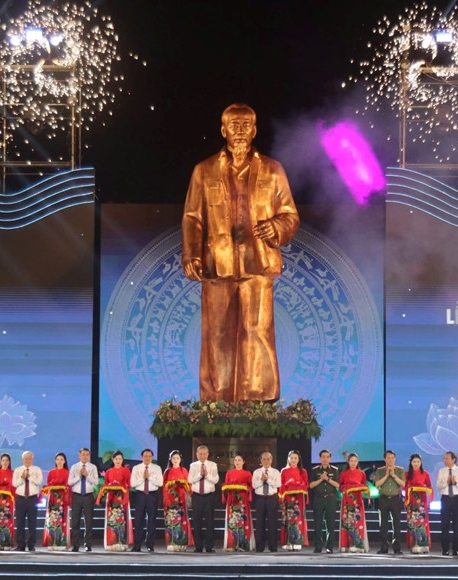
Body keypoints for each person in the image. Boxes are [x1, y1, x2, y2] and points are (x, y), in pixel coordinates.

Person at [181, 102, 300, 403]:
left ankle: (259, 401)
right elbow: (193, 218)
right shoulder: (204, 170)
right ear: (223, 130)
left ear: (255, 130)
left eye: (246, 125)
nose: (240, 132)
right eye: (234, 126)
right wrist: (191, 254)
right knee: (217, 334)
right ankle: (216, 403)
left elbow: (290, 215)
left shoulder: (273, 170)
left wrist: (276, 227)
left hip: (257, 264)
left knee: (257, 331)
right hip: (217, 265)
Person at [97, 450, 133, 551]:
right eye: (116, 459)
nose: (118, 461)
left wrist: (122, 488)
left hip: (122, 498)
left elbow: (129, 484)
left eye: (120, 459)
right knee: (111, 520)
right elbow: (105, 485)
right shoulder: (109, 472)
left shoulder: (126, 471)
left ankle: (122, 542)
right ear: (113, 460)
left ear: (122, 460)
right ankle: (111, 543)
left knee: (122, 520)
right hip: (111, 499)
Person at [130, 448, 163, 552]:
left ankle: (150, 544)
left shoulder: (157, 468)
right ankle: (137, 545)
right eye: (145, 456)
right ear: (141, 457)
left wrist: (149, 478)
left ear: (152, 457)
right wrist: (143, 478)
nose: (147, 458)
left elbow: (160, 483)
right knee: (138, 520)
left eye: (149, 456)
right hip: (140, 495)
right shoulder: (136, 468)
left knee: (152, 520)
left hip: (152, 495)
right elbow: (132, 483)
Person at [188, 445, 219, 552]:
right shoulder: (193, 466)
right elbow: (190, 480)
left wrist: (207, 475)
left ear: (208, 454)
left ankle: (209, 546)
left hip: (209, 496)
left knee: (210, 522)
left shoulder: (213, 465)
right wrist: (199, 475)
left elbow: (215, 480)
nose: (202, 456)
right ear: (197, 454)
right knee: (197, 521)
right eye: (200, 454)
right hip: (197, 496)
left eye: (204, 454)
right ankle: (198, 546)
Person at [436, 451, 458, 556]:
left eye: (447, 458)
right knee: (444, 524)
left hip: (457, 499)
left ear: (453, 459)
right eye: (444, 458)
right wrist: (447, 483)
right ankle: (445, 549)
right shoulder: (442, 471)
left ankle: (456, 549)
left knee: (457, 525)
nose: (445, 460)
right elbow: (438, 485)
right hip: (445, 499)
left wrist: (455, 483)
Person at [373, 450, 404, 555]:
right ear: (384, 459)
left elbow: (403, 484)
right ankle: (384, 547)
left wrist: (394, 475)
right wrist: (386, 475)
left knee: (397, 524)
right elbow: (377, 484)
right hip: (384, 498)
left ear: (395, 459)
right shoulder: (380, 470)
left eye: (392, 458)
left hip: (395, 499)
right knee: (383, 524)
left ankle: (397, 548)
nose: (390, 460)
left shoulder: (400, 470)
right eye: (388, 458)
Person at [308, 449, 339, 554]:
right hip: (318, 499)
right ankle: (318, 546)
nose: (325, 459)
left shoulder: (335, 470)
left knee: (330, 524)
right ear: (320, 458)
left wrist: (328, 479)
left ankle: (330, 547)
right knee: (317, 524)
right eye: (323, 457)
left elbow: (338, 485)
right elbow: (311, 485)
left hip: (330, 499)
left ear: (330, 458)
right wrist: (321, 479)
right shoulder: (315, 470)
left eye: (327, 457)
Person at [222, 453, 254, 552]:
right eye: (235, 460)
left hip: (242, 500)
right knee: (232, 521)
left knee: (243, 521)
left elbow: (251, 487)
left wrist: (244, 488)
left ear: (243, 462)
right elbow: (226, 485)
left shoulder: (247, 473)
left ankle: (243, 544)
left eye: (239, 460)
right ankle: (232, 544)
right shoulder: (229, 473)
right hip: (232, 500)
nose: (237, 462)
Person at [68, 448, 98, 552]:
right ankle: (75, 545)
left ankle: (88, 544)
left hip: (88, 496)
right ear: (79, 455)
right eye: (83, 454)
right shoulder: (74, 467)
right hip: (76, 496)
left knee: (88, 521)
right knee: (75, 521)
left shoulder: (93, 467)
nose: (85, 456)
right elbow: (69, 482)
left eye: (87, 454)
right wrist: (79, 476)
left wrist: (87, 475)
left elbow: (96, 482)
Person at [163, 450, 193, 552]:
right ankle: (171, 543)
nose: (175, 460)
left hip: (181, 500)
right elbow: (164, 487)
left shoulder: (184, 470)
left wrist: (187, 494)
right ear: (170, 460)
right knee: (171, 521)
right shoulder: (167, 472)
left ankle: (182, 543)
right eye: (173, 458)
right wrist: (168, 498)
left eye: (177, 458)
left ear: (180, 459)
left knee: (181, 520)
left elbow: (189, 485)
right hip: (170, 500)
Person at [12, 451, 42, 552]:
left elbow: (39, 481)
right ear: (22, 459)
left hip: (32, 499)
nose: (27, 460)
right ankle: (20, 545)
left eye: (29, 458)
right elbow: (14, 484)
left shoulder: (37, 469)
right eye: (25, 458)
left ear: (32, 459)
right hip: (20, 499)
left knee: (32, 523)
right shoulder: (18, 470)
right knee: (20, 523)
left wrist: (30, 477)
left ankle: (31, 545)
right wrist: (22, 478)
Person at [279, 450, 309, 551]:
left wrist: (298, 486)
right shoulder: (284, 471)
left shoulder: (303, 471)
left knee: (297, 518)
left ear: (299, 459)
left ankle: (297, 541)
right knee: (287, 519)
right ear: (288, 459)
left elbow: (306, 484)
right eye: (291, 458)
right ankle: (288, 542)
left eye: (295, 458)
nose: (293, 460)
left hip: (298, 498)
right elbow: (281, 485)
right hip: (287, 498)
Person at [339, 452, 369, 553]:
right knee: (347, 521)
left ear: (357, 462)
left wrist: (359, 487)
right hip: (347, 500)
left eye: (355, 461)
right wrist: (347, 488)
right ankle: (345, 544)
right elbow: (340, 487)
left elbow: (364, 485)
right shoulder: (343, 473)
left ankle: (358, 544)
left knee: (358, 521)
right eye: (351, 461)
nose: (353, 463)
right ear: (348, 462)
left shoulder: (362, 473)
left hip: (358, 501)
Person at [252, 451, 281, 553]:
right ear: (261, 461)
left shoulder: (276, 472)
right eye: (264, 459)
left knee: (272, 523)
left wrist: (268, 479)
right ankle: (260, 546)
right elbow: (254, 485)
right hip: (260, 498)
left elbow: (278, 484)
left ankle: (273, 546)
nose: (266, 461)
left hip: (272, 498)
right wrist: (261, 480)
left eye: (268, 459)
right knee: (259, 523)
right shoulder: (256, 472)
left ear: (271, 460)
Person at [42, 452, 71, 551]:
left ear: (65, 461)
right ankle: (51, 541)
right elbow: (48, 486)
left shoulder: (67, 472)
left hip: (62, 499)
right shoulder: (51, 472)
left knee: (62, 520)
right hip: (53, 499)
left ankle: (61, 542)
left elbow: (68, 487)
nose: (59, 461)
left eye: (61, 459)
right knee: (52, 520)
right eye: (58, 459)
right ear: (55, 461)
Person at [404, 453, 433, 554]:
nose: (416, 464)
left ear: (421, 463)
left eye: (418, 462)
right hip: (411, 500)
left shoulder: (425, 474)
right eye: (414, 462)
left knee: (422, 522)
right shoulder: (407, 474)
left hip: (422, 501)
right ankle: (414, 544)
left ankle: (424, 545)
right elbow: (404, 488)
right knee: (413, 522)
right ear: (411, 463)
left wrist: (423, 489)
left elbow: (429, 487)